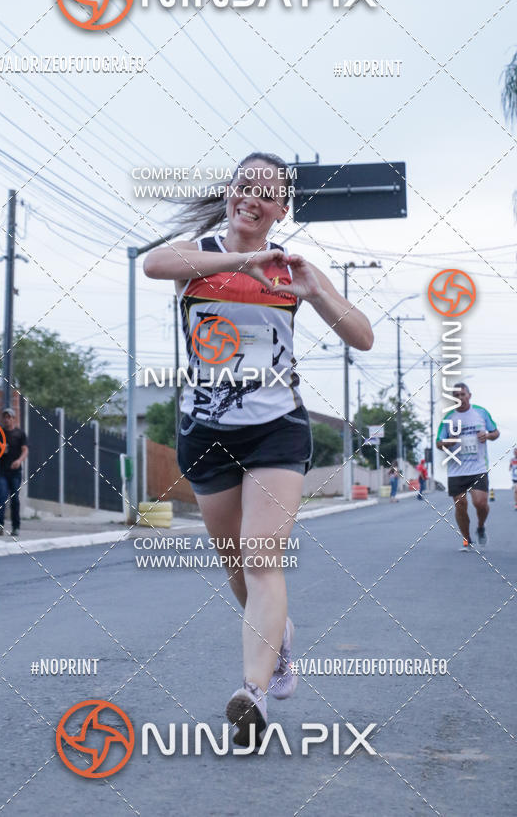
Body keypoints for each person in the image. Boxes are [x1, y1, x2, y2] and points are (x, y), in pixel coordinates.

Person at [143, 152, 373, 746]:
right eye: (245, 186)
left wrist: (314, 292)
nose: (252, 198)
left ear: (282, 209)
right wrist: (246, 260)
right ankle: (281, 640)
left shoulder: (294, 269)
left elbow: (363, 336)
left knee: (261, 555)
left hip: (277, 429)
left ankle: (252, 693)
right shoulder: (197, 254)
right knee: (236, 565)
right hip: (206, 431)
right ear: (231, 192)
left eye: (267, 193)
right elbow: (153, 264)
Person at [436, 382, 499, 548]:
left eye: (462, 394)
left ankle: (480, 526)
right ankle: (466, 538)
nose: (460, 398)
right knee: (460, 505)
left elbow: (495, 432)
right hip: (456, 470)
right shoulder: (448, 418)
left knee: (480, 503)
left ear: (469, 396)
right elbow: (438, 443)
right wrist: (449, 442)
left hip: (478, 468)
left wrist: (488, 436)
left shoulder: (481, 412)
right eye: (456, 396)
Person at [0, 408, 28, 538]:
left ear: (13, 419)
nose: (7, 420)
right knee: (2, 497)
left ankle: (16, 527)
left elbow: (25, 450)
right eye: (5, 417)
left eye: (9, 417)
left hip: (15, 472)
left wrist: (19, 461)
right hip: (2, 471)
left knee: (14, 499)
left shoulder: (20, 434)